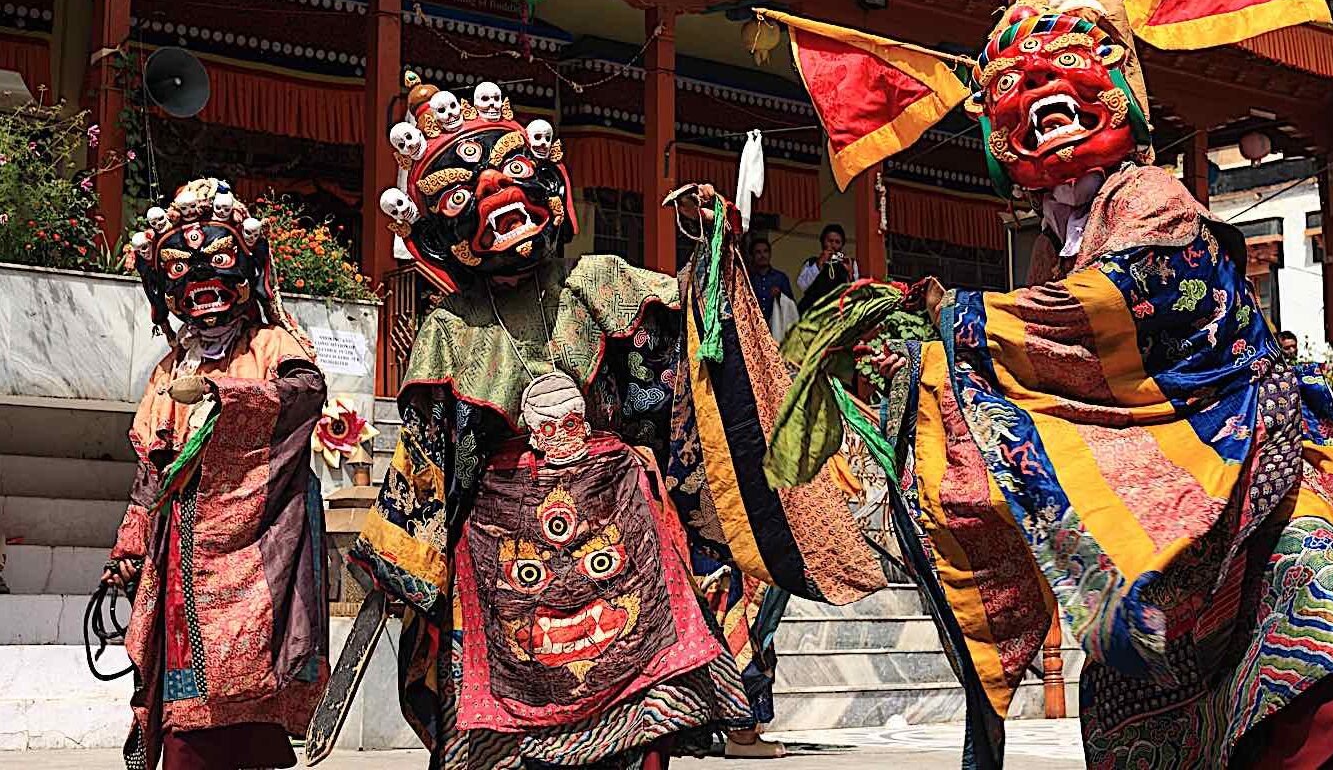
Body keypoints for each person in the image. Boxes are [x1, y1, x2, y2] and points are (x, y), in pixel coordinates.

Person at [772, 1, 1333, 770]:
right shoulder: (1051, 245)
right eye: (1022, 104)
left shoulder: (1150, 196)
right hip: (1152, 490)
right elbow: (1040, 369)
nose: (1043, 113)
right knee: (1130, 665)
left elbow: (1114, 305)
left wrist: (960, 320)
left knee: (1309, 621)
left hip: (1247, 454)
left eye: (1063, 86)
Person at [333, 75, 881, 770]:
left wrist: (710, 254)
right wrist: (403, 558)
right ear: (442, 232)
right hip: (502, 560)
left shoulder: (600, 282)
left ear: (552, 188)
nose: (498, 198)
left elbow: (683, 360)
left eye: (514, 174)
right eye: (462, 196)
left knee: (639, 728)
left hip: (621, 526)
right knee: (508, 741)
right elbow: (429, 459)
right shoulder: (450, 328)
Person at [108, 178, 329, 770]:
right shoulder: (168, 366)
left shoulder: (273, 341)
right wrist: (129, 544)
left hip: (259, 537)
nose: (201, 282)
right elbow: (151, 465)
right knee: (183, 692)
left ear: (249, 273)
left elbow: (305, 394)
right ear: (164, 288)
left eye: (221, 261)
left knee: (253, 671)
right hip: (183, 545)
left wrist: (223, 397)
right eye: (180, 267)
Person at [796, 223, 860, 313]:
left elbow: (856, 293)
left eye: (837, 242)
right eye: (830, 241)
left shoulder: (850, 263)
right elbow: (803, 286)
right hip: (814, 312)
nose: (833, 245)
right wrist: (819, 264)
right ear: (823, 242)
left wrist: (850, 273)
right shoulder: (811, 262)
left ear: (842, 245)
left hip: (838, 313)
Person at [747, 237, 793, 325]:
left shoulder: (781, 278)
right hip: (753, 329)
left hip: (776, 329)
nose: (762, 255)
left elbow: (792, 306)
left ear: (770, 254)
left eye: (765, 251)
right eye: (758, 252)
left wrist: (780, 295)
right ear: (752, 256)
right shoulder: (748, 279)